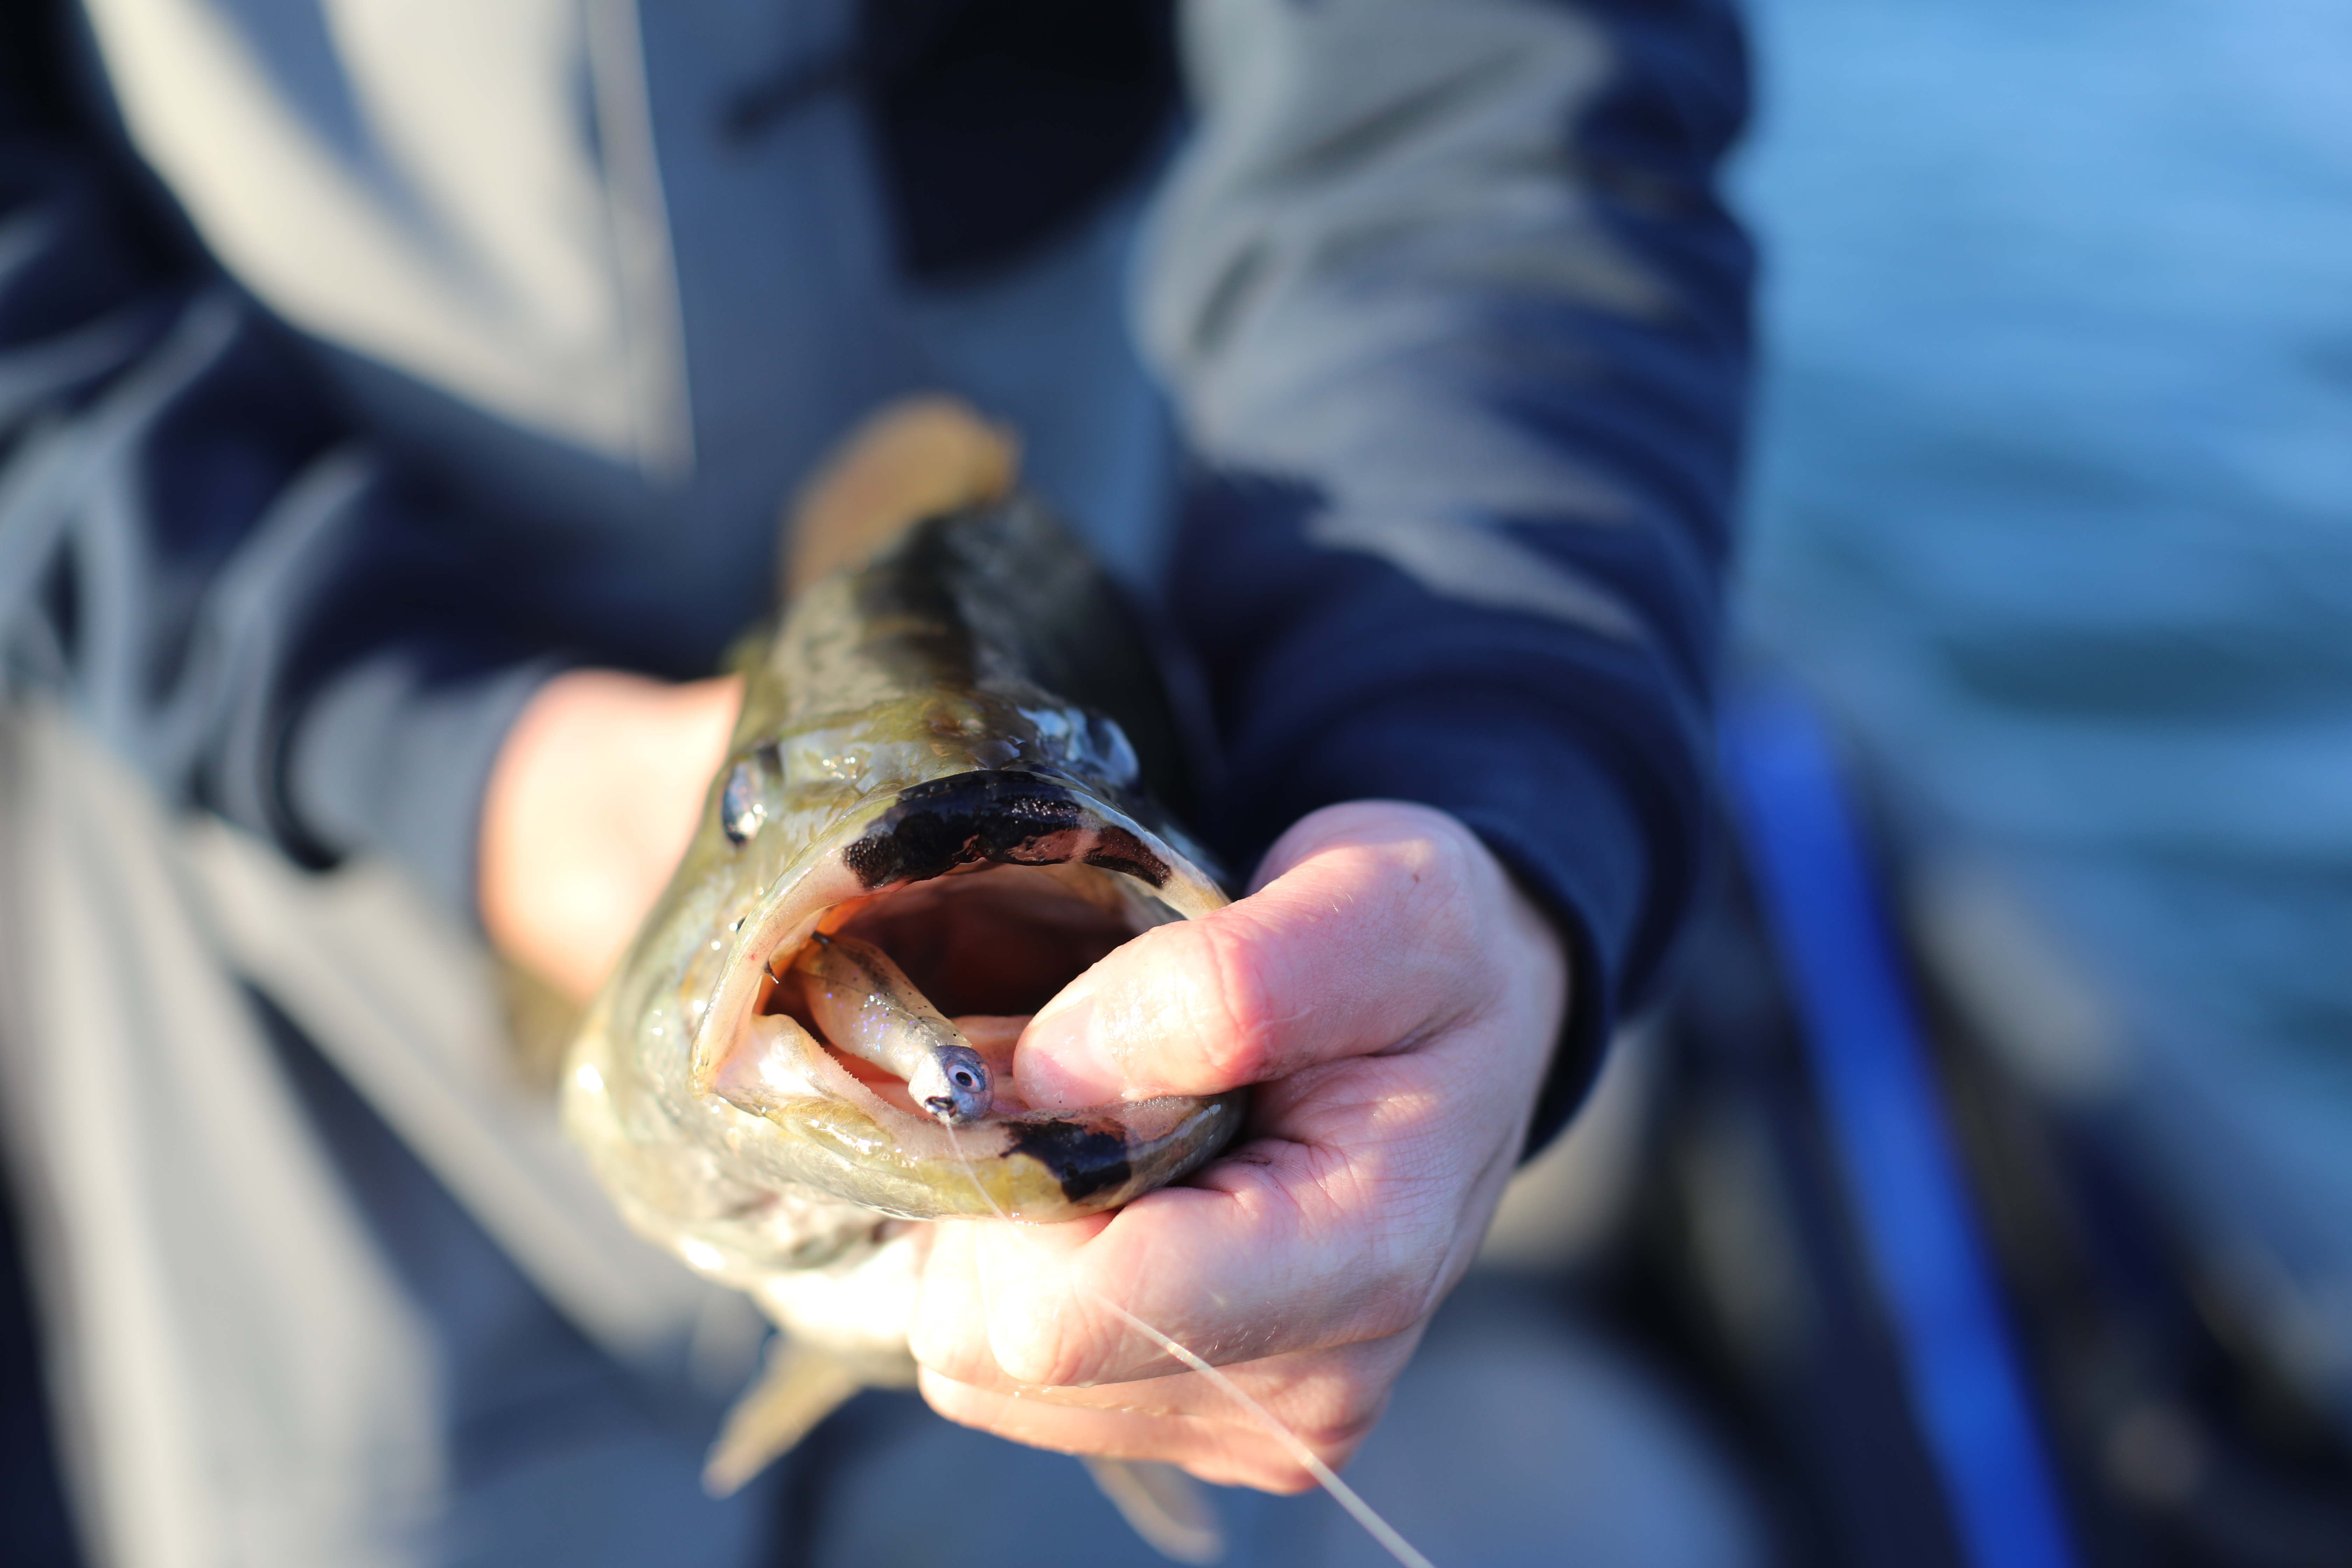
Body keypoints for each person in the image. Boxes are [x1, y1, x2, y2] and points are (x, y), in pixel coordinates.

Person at [0, 1, 1758, 1563]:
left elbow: (1479, 95)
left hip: (1081, 617)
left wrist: (1465, 803)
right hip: (294, 988)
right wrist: (434, 744)